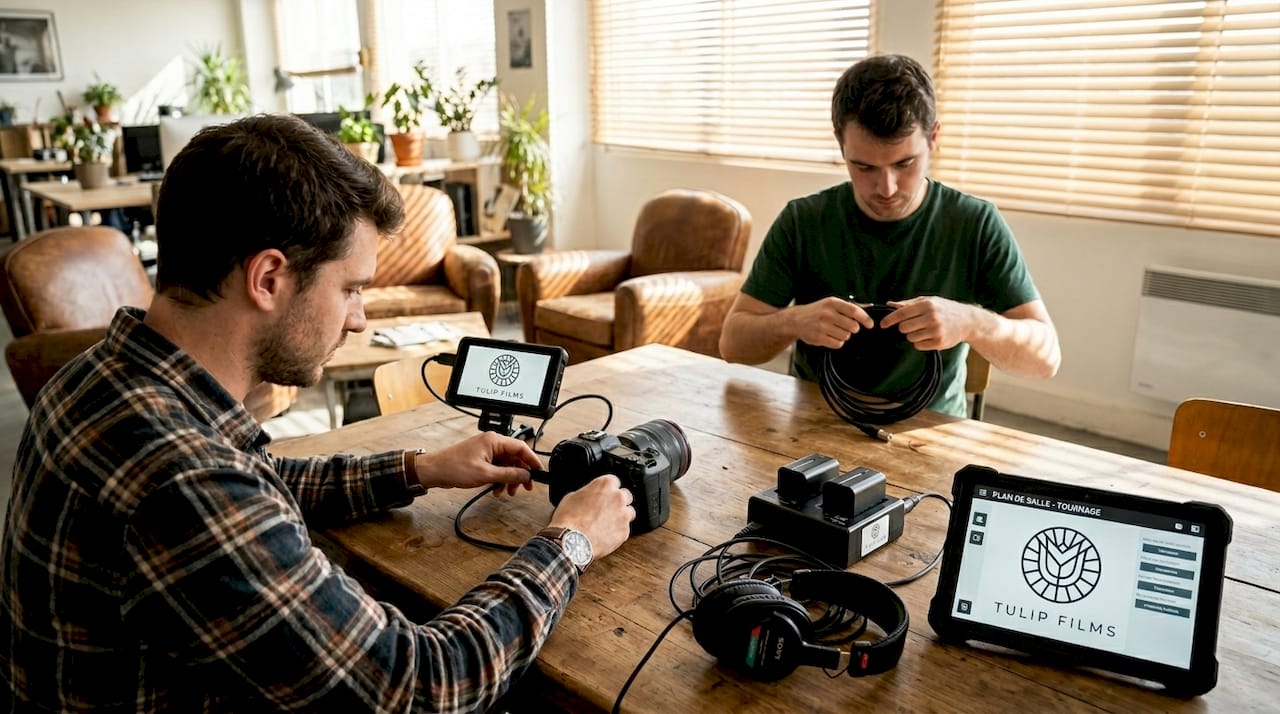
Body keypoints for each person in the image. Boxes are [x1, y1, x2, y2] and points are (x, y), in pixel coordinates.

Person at [0, 114, 636, 712]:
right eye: (352, 288)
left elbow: (255, 482)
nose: (359, 318)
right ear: (269, 279)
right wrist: (569, 541)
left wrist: (420, 468)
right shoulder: (181, 478)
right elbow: (419, 687)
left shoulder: (107, 377)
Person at [720, 54, 1060, 417]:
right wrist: (794, 321)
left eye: (904, 164)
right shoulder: (804, 220)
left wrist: (972, 323)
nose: (886, 187)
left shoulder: (974, 223)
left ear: (934, 138)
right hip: (815, 421)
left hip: (930, 431)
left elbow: (1046, 359)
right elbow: (732, 345)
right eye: (863, 166)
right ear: (841, 145)